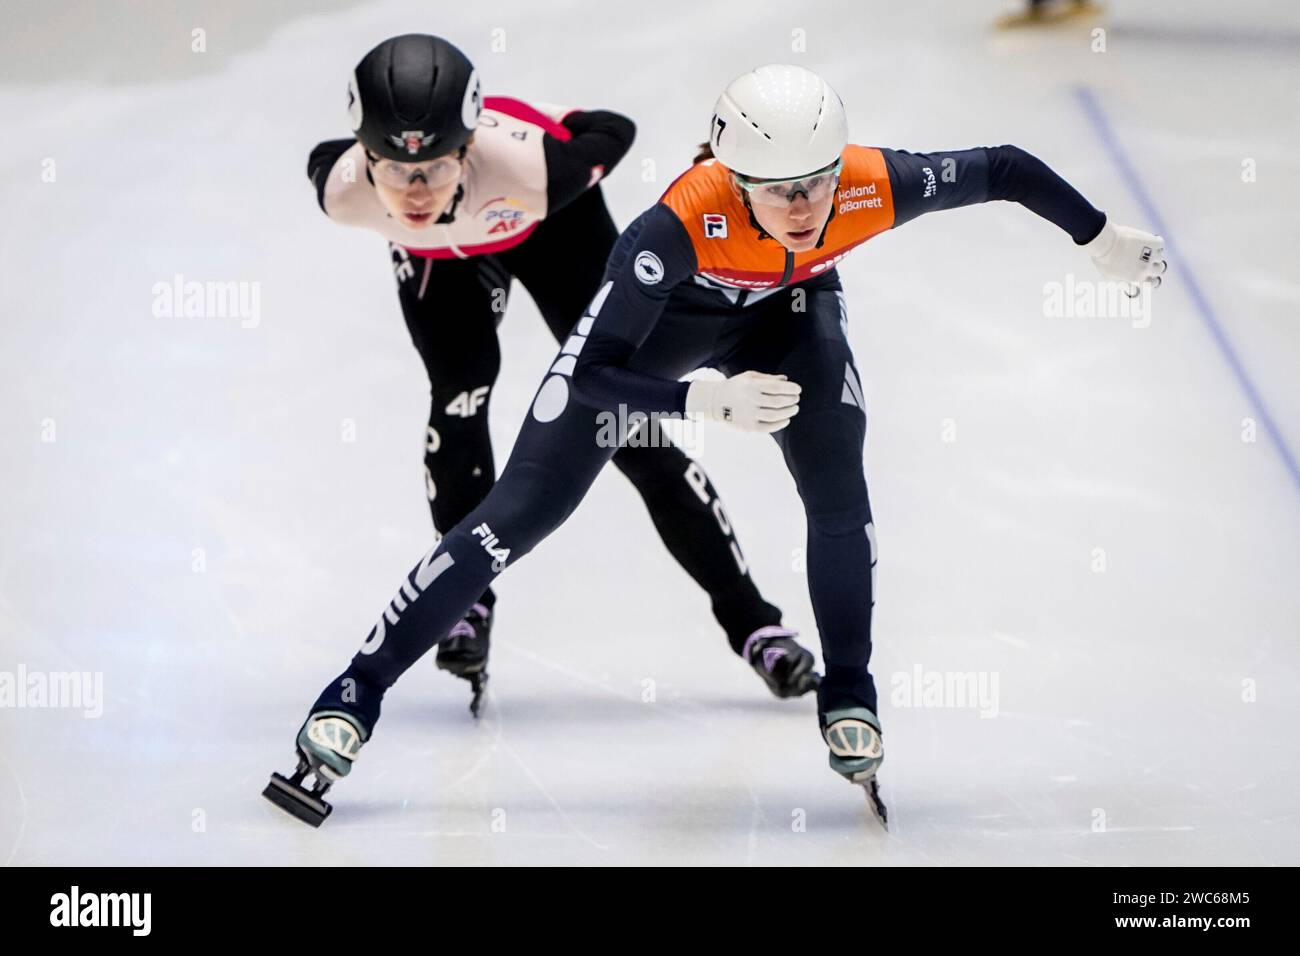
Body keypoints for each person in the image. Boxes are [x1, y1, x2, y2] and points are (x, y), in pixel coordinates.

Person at [267, 63, 1166, 827]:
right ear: (734, 180)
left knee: (839, 496)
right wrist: (697, 401)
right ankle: (358, 689)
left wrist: (1098, 237)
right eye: (780, 191)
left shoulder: (872, 182)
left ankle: (848, 689)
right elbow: (590, 375)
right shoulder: (676, 225)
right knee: (513, 518)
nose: (806, 206)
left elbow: (1003, 166)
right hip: (665, 343)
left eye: (817, 181)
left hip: (788, 322)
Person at [304, 34, 818, 717]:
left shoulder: (538, 169)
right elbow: (321, 161)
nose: (417, 190)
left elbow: (611, 130)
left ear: (467, 146)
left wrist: (531, 116)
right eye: (396, 170)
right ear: (366, 156)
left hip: (554, 226)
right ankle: (467, 602)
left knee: (629, 431)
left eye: (434, 165)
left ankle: (753, 621)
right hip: (446, 262)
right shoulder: (344, 194)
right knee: (460, 392)